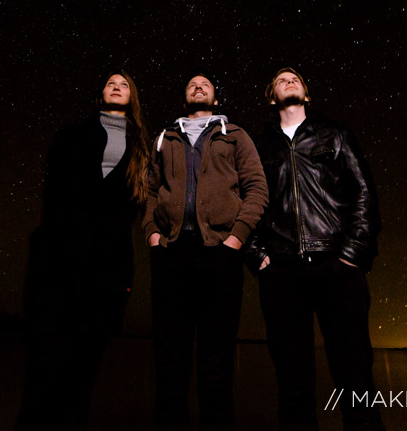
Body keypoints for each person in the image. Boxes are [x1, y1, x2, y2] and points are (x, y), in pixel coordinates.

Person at [248, 68, 384, 431]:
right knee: (293, 383)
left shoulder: (335, 135)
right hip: (281, 272)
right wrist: (257, 255)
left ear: (306, 94)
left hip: (336, 267)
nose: (289, 80)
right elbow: (244, 201)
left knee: (355, 376)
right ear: (272, 98)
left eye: (296, 79)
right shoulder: (259, 147)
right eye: (280, 79)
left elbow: (364, 195)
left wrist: (351, 256)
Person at [16, 72, 150, 431]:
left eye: (124, 83)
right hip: (58, 268)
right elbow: (54, 200)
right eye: (110, 83)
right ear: (100, 96)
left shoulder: (143, 149)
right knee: (44, 367)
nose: (116, 85)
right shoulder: (72, 135)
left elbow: (139, 212)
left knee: (84, 370)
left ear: (132, 96)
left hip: (107, 274)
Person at [143, 73, 268, 431]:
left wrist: (236, 239)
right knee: (170, 360)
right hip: (172, 253)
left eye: (206, 84)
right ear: (185, 97)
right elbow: (151, 192)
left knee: (217, 361)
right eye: (191, 84)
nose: (198, 86)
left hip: (220, 254)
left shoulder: (235, 135)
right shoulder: (165, 138)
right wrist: (153, 234)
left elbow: (257, 188)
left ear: (215, 98)